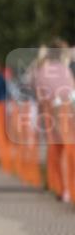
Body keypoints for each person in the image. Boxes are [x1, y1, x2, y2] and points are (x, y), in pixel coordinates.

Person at [31, 39, 74, 202]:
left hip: (52, 113)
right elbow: (71, 90)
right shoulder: (64, 69)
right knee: (65, 151)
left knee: (57, 151)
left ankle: (61, 188)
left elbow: (38, 92)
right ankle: (63, 187)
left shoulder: (42, 70)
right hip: (65, 110)